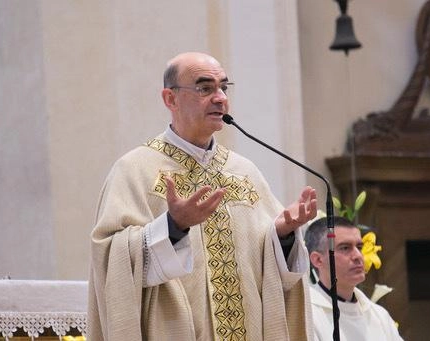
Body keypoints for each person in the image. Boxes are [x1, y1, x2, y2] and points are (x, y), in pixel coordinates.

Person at [87, 51, 318, 340]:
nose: (220, 97)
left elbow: (271, 274)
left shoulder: (245, 172)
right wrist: (173, 227)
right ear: (170, 99)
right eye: (205, 88)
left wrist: (282, 235)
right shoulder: (135, 170)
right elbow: (109, 258)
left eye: (224, 87)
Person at [304, 216, 403, 341]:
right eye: (345, 248)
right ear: (318, 260)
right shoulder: (306, 314)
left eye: (359, 247)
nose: (358, 256)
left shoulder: (379, 316)